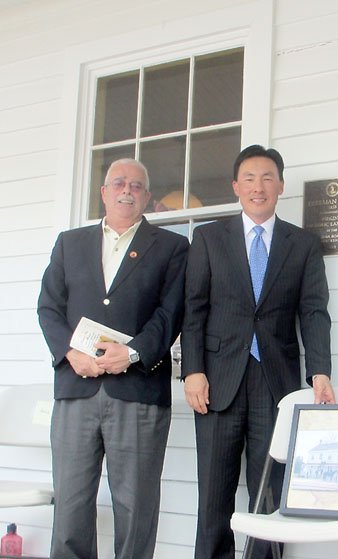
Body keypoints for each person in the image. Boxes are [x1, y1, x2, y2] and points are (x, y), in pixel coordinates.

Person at [181, 144, 335, 559]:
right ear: (236, 186)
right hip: (216, 383)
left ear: (281, 185)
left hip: (276, 385)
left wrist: (320, 371)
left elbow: (314, 311)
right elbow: (193, 309)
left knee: (269, 493)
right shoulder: (209, 238)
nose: (258, 186)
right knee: (214, 494)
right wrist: (191, 371)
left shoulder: (302, 244)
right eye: (249, 178)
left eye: (268, 177)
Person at [37, 158, 189, 559]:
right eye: (118, 183)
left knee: (136, 509)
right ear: (103, 192)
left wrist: (134, 352)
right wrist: (70, 354)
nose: (127, 190)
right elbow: (49, 308)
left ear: (147, 196)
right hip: (76, 391)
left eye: (137, 185)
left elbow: (171, 313)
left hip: (137, 393)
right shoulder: (70, 243)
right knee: (70, 509)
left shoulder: (172, 247)